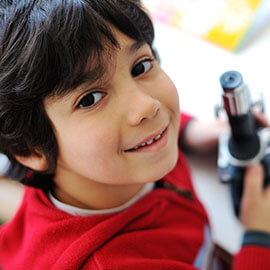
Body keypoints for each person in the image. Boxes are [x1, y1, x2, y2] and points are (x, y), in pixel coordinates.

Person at [0, 0, 269, 269]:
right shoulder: (112, 263)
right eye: (91, 99)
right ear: (31, 150)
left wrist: (189, 132)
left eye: (139, 67)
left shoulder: (117, 157)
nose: (147, 106)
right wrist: (260, 234)